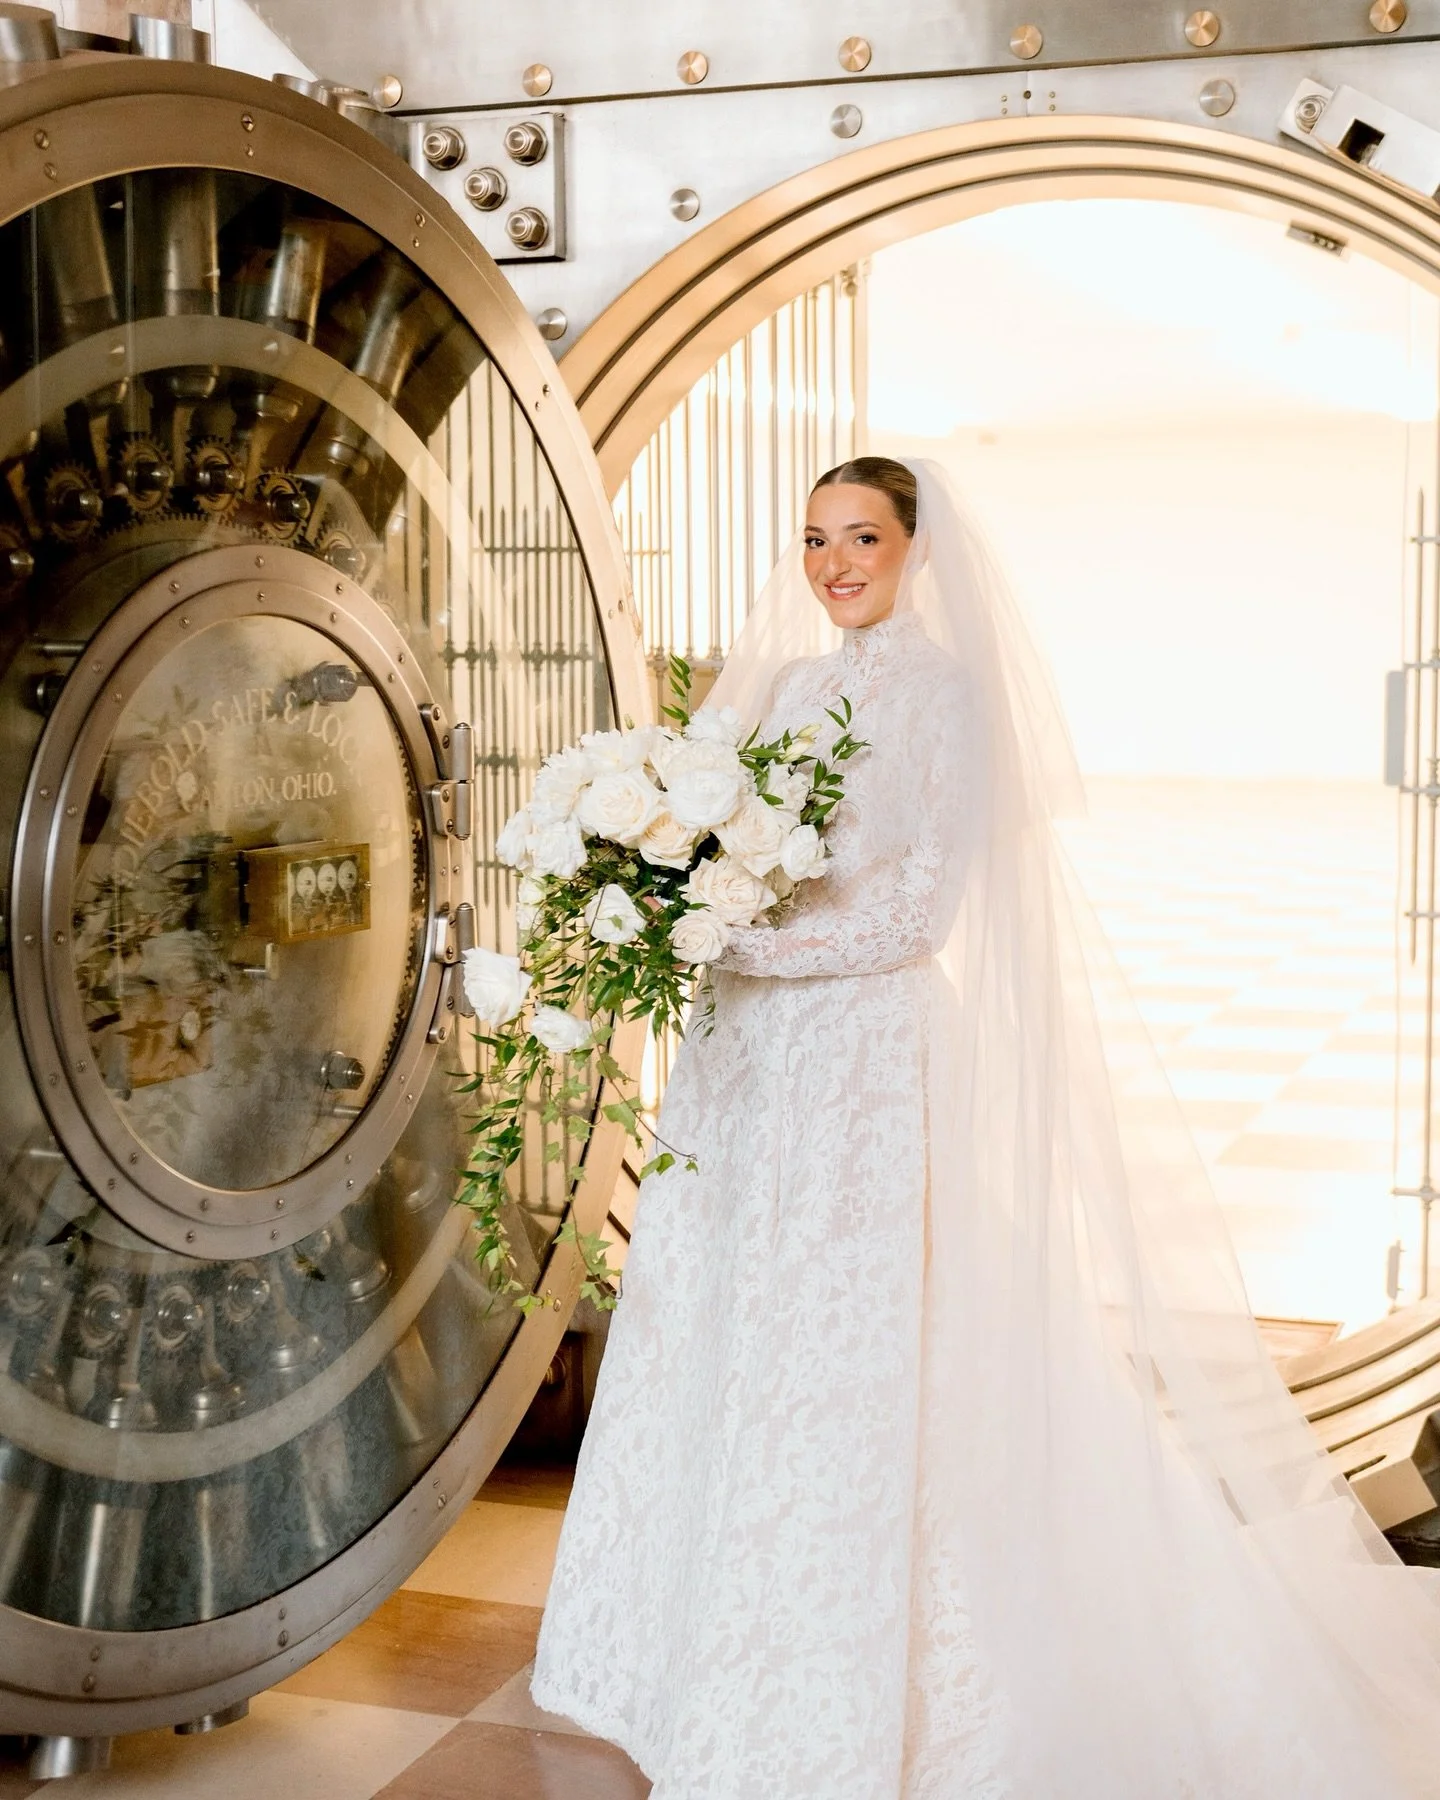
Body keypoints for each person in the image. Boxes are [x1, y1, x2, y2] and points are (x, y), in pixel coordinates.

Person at [531, 457, 1440, 1797]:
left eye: (862, 537)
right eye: (814, 540)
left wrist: (730, 943)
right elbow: (719, 844)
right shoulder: (783, 691)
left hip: (867, 1065)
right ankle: (701, 1651)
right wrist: (680, 904)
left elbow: (915, 917)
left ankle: (862, 1679)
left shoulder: (947, 701)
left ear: (915, 548)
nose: (836, 563)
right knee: (746, 1325)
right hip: (755, 1068)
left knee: (863, 1348)